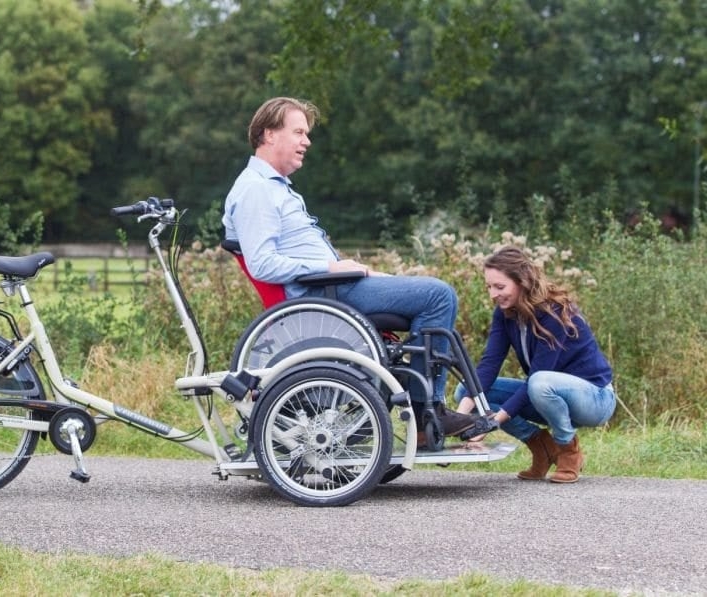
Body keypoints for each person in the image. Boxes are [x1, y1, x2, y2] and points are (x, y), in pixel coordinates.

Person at [222, 96, 478, 438]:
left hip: (332, 286)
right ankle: (425, 412)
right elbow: (263, 263)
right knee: (437, 295)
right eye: (299, 132)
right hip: (321, 295)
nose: (306, 141)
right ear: (269, 135)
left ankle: (425, 406)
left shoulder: (273, 188)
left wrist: (359, 271)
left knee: (435, 310)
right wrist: (330, 267)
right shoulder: (257, 191)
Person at [454, 246, 616, 483]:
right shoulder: (505, 313)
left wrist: (490, 423)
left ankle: (568, 450)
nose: (492, 295)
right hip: (546, 393)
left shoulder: (554, 312)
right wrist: (459, 419)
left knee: (539, 382)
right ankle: (541, 446)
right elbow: (489, 365)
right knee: (466, 391)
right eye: (489, 287)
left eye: (500, 287)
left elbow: (538, 376)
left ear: (522, 282)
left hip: (596, 399)